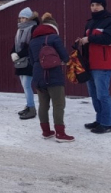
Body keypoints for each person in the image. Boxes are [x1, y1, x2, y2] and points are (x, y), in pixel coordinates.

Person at [78, 0, 111, 134]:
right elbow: (88, 42)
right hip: (89, 64)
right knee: (94, 95)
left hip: (103, 63)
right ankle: (99, 120)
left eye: (97, 5)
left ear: (104, 6)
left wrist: (88, 39)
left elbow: (109, 39)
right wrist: (81, 42)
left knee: (102, 94)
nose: (94, 7)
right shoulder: (90, 22)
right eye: (92, 5)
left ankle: (107, 124)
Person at [29, 13, 73, 142]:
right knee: (58, 104)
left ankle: (46, 132)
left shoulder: (32, 41)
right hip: (54, 76)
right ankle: (60, 133)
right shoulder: (54, 38)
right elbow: (65, 57)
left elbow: (32, 61)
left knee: (43, 104)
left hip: (38, 76)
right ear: (54, 27)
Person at [11, 7, 39, 120]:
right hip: (21, 61)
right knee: (24, 85)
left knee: (27, 85)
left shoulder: (33, 28)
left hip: (29, 60)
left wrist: (19, 54)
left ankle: (31, 108)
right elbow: (16, 44)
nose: (22, 20)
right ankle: (28, 105)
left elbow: (31, 45)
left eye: (24, 18)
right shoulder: (20, 30)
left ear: (29, 18)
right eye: (21, 18)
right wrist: (12, 52)